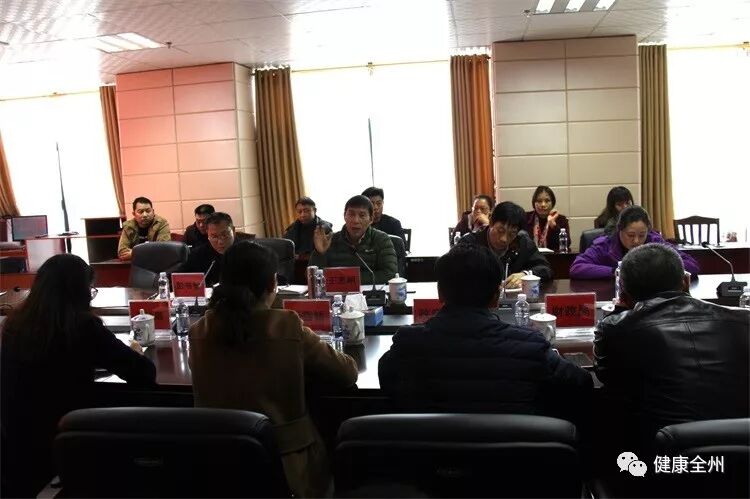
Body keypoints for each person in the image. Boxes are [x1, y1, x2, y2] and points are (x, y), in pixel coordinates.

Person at [188, 241, 358, 498]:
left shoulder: (200, 330)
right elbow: (347, 373)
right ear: (272, 284)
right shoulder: (286, 325)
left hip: (220, 466)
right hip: (289, 467)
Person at [0, 254, 156, 497]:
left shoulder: (14, 325)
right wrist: (134, 352)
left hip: (18, 446)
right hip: (68, 441)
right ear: (80, 291)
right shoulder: (82, 326)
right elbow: (144, 373)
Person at [378, 244, 592, 419]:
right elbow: (582, 383)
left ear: (440, 293)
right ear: (496, 297)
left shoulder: (408, 344)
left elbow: (387, 381)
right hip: (512, 456)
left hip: (432, 456)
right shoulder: (530, 347)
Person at [594, 243, 749, 450]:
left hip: (660, 450)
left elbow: (608, 377)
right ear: (686, 281)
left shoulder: (615, 328)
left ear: (623, 293)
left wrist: (619, 314)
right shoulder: (744, 320)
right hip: (741, 449)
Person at [570, 206, 699, 279]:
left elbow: (692, 265)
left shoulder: (656, 242)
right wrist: (616, 271)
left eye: (642, 235)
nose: (637, 241)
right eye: (631, 235)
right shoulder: (606, 245)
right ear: (620, 230)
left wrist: (658, 270)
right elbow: (577, 268)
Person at [460, 201, 553, 288]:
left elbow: (546, 269)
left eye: (512, 233)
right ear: (491, 222)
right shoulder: (469, 244)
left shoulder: (523, 243)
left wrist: (525, 274)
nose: (504, 239)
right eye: (500, 231)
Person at [309, 195, 397, 285]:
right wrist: (319, 253)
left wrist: (349, 279)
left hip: (371, 292)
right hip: (338, 293)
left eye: (362, 215)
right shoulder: (330, 240)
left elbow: (390, 274)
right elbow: (313, 278)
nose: (356, 220)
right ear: (344, 216)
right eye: (351, 214)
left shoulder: (381, 239)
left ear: (371, 219)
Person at [181, 212, 235, 287]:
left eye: (224, 235)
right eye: (214, 236)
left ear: (233, 231)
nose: (220, 241)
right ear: (208, 235)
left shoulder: (247, 251)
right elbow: (179, 279)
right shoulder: (197, 255)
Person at [117, 196, 171, 260]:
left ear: (153, 211)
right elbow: (122, 253)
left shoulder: (161, 223)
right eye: (140, 212)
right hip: (137, 264)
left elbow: (163, 249)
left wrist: (135, 253)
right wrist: (150, 252)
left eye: (148, 211)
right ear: (134, 214)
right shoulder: (128, 226)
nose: (145, 215)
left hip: (157, 262)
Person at [526, 185, 570, 251]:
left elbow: (567, 244)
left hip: (553, 256)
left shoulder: (561, 220)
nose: (543, 205)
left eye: (547, 201)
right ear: (534, 203)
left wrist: (554, 226)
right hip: (531, 256)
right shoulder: (526, 218)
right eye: (539, 201)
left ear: (552, 203)